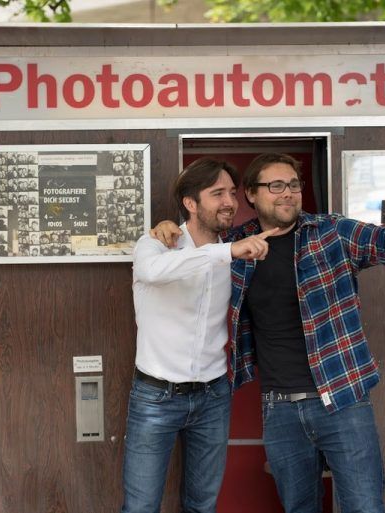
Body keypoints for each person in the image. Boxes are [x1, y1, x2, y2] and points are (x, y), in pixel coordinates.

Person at [153, 153, 385, 513]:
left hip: (342, 400)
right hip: (279, 409)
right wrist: (165, 228)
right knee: (299, 508)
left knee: (364, 507)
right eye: (276, 186)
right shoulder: (237, 245)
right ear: (251, 195)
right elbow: (194, 246)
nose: (288, 194)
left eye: (294, 185)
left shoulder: (330, 232)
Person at [121, 157, 275, 513]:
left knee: (202, 506)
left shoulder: (237, 245)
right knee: (140, 506)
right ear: (190, 203)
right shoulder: (156, 244)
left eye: (232, 193)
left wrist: (231, 250)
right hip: (155, 396)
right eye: (217, 193)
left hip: (213, 395)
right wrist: (226, 251)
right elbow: (153, 271)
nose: (230, 202)